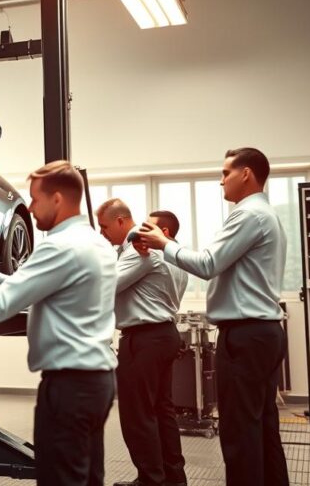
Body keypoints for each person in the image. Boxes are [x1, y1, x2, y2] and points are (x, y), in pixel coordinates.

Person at [0, 160, 117, 486]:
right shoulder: (94, 243)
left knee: (61, 479)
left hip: (69, 390)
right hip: (96, 383)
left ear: (57, 198)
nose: (29, 208)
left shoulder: (59, 247)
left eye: (34, 199)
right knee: (87, 478)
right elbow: (36, 290)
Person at [136, 148, 289, 486]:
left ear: (246, 174)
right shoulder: (267, 215)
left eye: (225, 173)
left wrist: (165, 243)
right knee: (263, 429)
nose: (221, 181)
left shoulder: (248, 215)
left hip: (245, 335)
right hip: (262, 332)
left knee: (239, 434)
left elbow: (207, 264)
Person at [96, 200, 187, 486]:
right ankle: (172, 477)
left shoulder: (139, 249)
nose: (102, 233)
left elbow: (105, 287)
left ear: (122, 221)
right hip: (162, 335)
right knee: (161, 411)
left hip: (144, 339)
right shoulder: (165, 254)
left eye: (104, 226)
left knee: (138, 415)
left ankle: (151, 480)